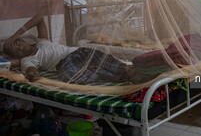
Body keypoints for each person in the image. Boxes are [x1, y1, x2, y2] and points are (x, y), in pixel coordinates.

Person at [3, 15, 135, 84]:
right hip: (65, 64)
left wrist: (15, 35)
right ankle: (120, 77)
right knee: (70, 77)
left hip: (76, 52)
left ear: (23, 39)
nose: (20, 47)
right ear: (17, 56)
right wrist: (33, 74)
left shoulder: (42, 41)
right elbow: (31, 71)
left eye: (19, 42)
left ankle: (125, 70)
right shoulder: (27, 60)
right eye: (16, 50)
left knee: (98, 56)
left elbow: (39, 18)